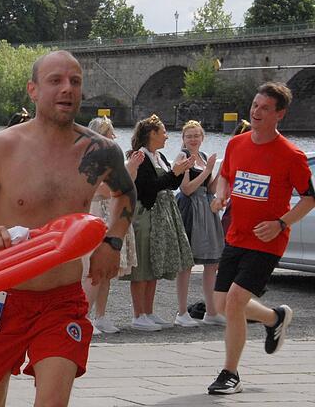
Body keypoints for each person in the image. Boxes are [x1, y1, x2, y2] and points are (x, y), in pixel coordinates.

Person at [0, 51, 136, 406]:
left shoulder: (100, 152)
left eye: (75, 82)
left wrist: (113, 242)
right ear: (32, 90)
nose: (67, 89)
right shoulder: (3, 147)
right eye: (55, 81)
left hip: (61, 300)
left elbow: (126, 193)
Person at [207, 82, 315, 395]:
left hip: (268, 240)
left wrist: (281, 224)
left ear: (279, 114)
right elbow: (226, 176)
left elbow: (309, 198)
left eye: (264, 108)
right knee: (221, 304)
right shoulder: (237, 144)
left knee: (236, 300)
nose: (256, 112)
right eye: (255, 105)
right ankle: (274, 318)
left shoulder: (291, 156)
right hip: (236, 235)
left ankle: (230, 374)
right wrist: (221, 195)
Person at [122, 115, 195, 331]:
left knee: (153, 265)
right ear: (152, 134)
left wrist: (180, 172)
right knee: (142, 265)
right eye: (163, 132)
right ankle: (138, 314)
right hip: (144, 214)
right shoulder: (140, 158)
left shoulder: (159, 156)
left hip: (159, 215)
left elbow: (169, 185)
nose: (166, 136)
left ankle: (149, 311)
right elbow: (148, 189)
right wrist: (174, 172)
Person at [82, 117, 142, 335]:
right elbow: (107, 191)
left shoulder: (109, 162)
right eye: (109, 133)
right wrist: (129, 168)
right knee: (95, 270)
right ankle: (84, 316)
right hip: (97, 213)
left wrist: (131, 170)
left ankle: (101, 316)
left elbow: (125, 188)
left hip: (109, 212)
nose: (114, 138)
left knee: (107, 271)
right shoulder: (92, 161)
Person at [174, 120, 225, 326]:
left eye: (196, 135)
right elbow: (186, 189)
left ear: (202, 138)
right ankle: (181, 312)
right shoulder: (183, 157)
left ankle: (211, 311)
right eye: (189, 136)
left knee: (212, 262)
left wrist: (220, 171)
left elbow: (210, 189)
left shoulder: (204, 157)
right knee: (187, 262)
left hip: (205, 207)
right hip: (189, 208)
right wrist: (207, 171)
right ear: (183, 139)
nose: (193, 139)